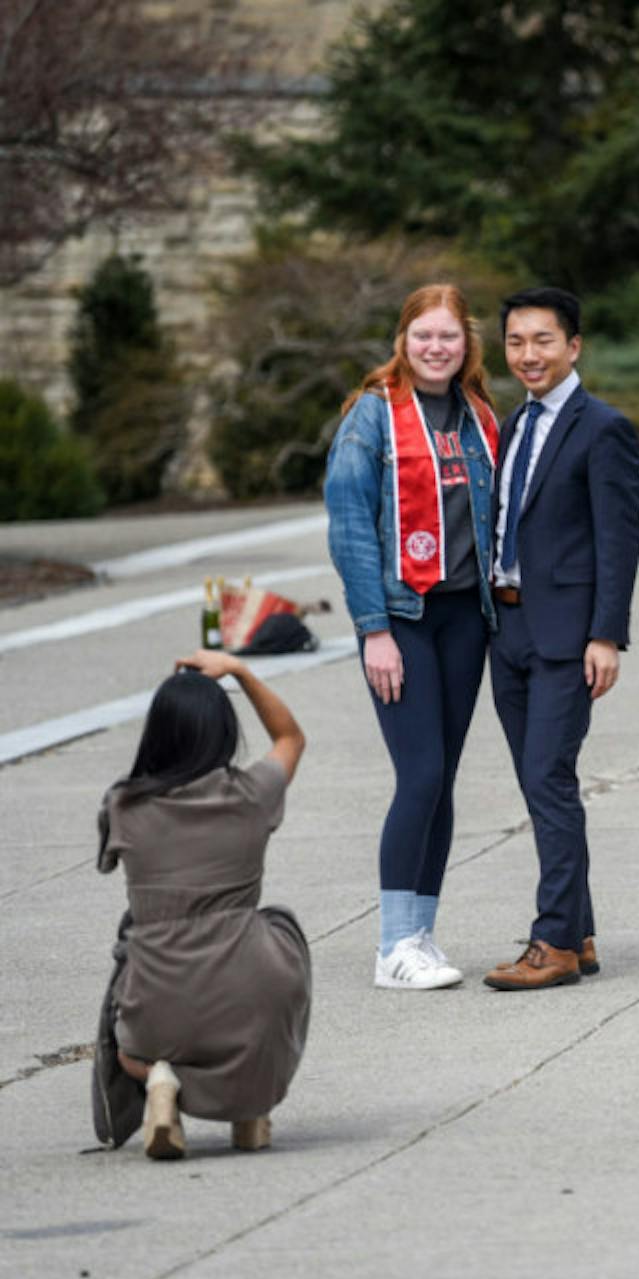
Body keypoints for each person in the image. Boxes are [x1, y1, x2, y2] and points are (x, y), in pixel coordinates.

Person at [325, 284, 503, 989]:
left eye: (449, 338)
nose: (437, 348)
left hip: (465, 619)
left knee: (442, 782)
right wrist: (374, 630)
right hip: (403, 618)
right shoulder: (371, 417)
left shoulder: (479, 417)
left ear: (467, 346)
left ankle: (420, 937)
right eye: (424, 336)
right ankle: (391, 946)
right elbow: (349, 528)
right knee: (420, 773)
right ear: (403, 340)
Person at [482, 287, 639, 990]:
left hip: (567, 636)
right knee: (538, 780)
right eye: (516, 342)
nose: (528, 355)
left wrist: (606, 635)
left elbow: (620, 539)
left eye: (542, 341)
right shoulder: (513, 425)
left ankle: (550, 943)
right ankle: (577, 932)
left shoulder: (601, 427)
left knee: (548, 778)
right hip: (508, 626)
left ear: (573, 346)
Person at [92, 651, 310, 1159]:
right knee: (281, 928)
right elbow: (291, 738)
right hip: (246, 995)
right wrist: (241, 672)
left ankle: (161, 1079)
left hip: (155, 1009)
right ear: (223, 733)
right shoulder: (250, 794)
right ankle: (250, 1111)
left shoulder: (122, 805)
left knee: (129, 1033)